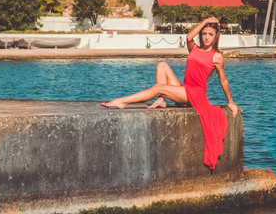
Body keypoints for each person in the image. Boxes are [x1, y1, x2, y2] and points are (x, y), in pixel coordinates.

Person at [101, 16, 238, 170]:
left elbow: (223, 80)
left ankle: (123, 101)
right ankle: (161, 100)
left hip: (195, 95)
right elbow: (188, 36)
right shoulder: (194, 48)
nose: (206, 37)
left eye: (210, 34)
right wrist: (205, 21)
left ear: (216, 36)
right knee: (162, 65)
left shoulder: (217, 56)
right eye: (204, 33)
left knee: (159, 87)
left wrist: (230, 102)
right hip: (184, 89)